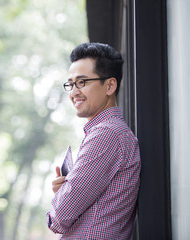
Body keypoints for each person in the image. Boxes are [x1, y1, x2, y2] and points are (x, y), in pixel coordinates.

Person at [46, 42, 141, 240]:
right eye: (71, 84)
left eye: (82, 82)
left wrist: (61, 197)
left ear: (110, 85)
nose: (74, 92)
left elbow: (60, 216)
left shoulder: (107, 135)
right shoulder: (110, 133)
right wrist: (65, 189)